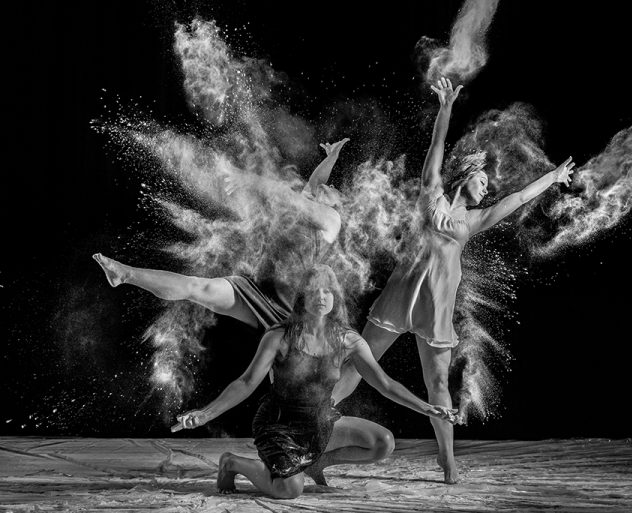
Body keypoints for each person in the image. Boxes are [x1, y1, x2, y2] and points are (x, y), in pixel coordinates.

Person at [332, 78, 575, 483]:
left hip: (437, 305)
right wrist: (445, 108)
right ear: (466, 176)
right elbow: (436, 147)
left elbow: (515, 200)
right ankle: (312, 416)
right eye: (483, 181)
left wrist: (551, 178)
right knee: (359, 364)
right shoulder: (432, 194)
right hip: (401, 294)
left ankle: (447, 460)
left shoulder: (474, 220)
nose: (487, 188)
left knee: (438, 383)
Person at [172, 264, 457, 498]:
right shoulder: (279, 337)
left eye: (327, 290)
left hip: (320, 423)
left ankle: (313, 462)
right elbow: (246, 383)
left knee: (383, 443)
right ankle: (233, 462)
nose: (321, 296)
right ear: (302, 297)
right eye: (314, 290)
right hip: (279, 426)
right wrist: (205, 413)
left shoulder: (348, 340)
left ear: (335, 297)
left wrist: (427, 408)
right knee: (289, 490)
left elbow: (384, 383)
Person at [93, 139, 350, 330]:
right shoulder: (311, 208)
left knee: (288, 367)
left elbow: (286, 195)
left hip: (285, 306)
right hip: (257, 288)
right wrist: (332, 157)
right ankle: (125, 274)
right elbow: (315, 184)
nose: (329, 185)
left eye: (334, 189)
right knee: (196, 287)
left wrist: (247, 179)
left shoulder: (331, 220)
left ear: (339, 205)